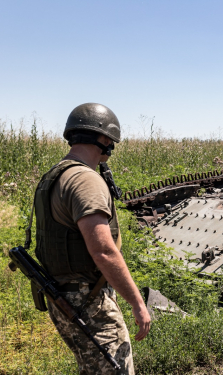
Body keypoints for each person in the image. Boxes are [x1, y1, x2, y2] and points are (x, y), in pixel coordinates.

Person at [34, 103, 151, 374]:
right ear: (105, 139)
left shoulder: (55, 175)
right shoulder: (86, 180)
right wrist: (137, 303)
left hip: (62, 296)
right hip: (87, 301)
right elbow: (104, 251)